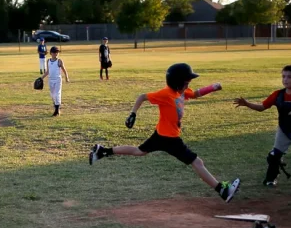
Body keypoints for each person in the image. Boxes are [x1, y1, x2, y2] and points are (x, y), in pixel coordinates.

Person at [89, 63, 240, 203]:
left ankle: (103, 151)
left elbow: (195, 94)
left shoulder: (181, 91)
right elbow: (142, 96)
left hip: (161, 135)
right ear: (178, 82)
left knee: (139, 151)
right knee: (197, 162)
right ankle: (222, 190)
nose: (189, 84)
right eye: (187, 81)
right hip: (170, 139)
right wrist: (132, 114)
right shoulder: (166, 94)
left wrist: (212, 87)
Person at [233, 64, 291, 187]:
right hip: (284, 130)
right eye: (283, 77)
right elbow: (262, 107)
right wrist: (247, 103)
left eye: (289, 77)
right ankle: (271, 179)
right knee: (274, 156)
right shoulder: (277, 94)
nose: (285, 80)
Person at [40, 46, 70, 116]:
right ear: (50, 53)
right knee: (52, 95)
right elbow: (48, 72)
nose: (56, 53)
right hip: (51, 80)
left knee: (57, 94)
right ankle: (56, 107)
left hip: (57, 79)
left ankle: (57, 110)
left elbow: (64, 69)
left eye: (57, 52)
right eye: (54, 52)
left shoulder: (59, 61)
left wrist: (66, 77)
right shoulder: (48, 61)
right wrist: (41, 78)